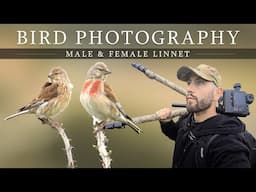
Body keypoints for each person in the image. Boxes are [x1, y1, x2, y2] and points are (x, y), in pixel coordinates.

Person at [156, 64, 251, 168]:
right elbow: (180, 135)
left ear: (217, 93)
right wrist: (167, 123)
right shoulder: (188, 118)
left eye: (200, 83)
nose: (189, 89)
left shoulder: (227, 144)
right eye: (189, 83)